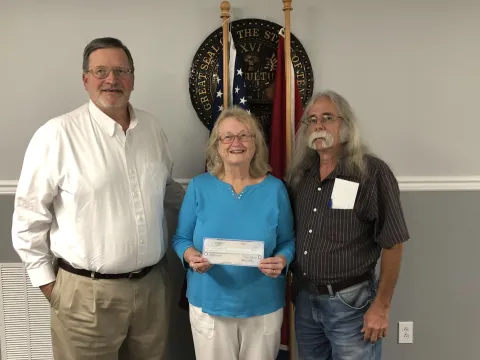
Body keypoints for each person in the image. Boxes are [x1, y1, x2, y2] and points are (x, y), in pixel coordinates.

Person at [12, 37, 184, 359]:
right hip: (85, 295)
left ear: (133, 78)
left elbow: (169, 191)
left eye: (121, 71)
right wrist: (52, 289)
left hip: (151, 291)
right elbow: (27, 219)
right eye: (101, 71)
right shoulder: (57, 134)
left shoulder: (152, 128)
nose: (112, 80)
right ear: (85, 80)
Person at [287, 90, 410, 360]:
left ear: (346, 125)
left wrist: (381, 307)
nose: (318, 125)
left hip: (351, 304)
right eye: (312, 120)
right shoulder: (301, 177)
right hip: (306, 301)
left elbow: (394, 242)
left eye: (328, 117)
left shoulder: (371, 172)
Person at [172, 107, 295, 360]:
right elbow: (181, 239)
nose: (235, 143)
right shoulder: (199, 187)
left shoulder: (275, 189)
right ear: (217, 146)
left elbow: (288, 241)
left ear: (255, 143)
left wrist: (282, 259)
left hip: (263, 304)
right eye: (227, 137)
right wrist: (191, 256)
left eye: (243, 136)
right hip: (210, 304)